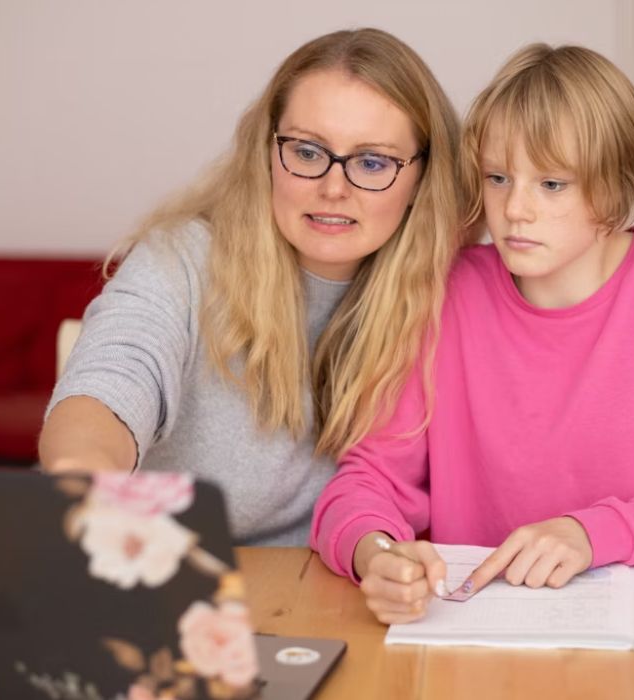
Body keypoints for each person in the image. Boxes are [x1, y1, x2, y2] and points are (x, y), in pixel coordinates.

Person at [311, 43, 634, 623]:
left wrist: (592, 533)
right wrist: (377, 553)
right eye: (498, 177)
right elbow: (367, 481)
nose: (516, 208)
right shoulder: (447, 290)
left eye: (552, 184)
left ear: (613, 186)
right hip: (476, 634)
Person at [39, 28, 468, 546]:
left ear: (423, 175)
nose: (334, 188)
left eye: (372, 162)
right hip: (161, 572)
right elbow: (111, 379)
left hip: (328, 593)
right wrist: (85, 476)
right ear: (266, 151)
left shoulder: (453, 292)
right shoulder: (183, 259)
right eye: (308, 152)